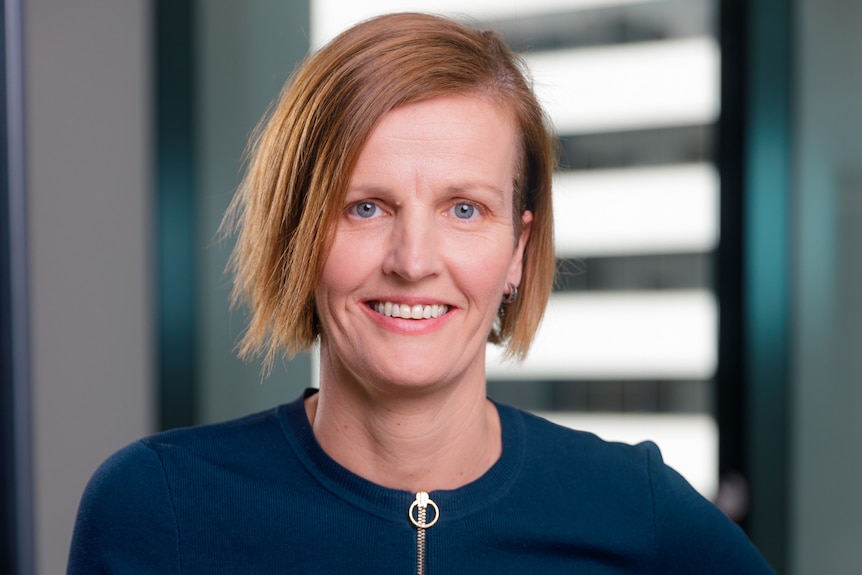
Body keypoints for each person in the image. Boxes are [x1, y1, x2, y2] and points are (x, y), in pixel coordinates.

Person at [68, 12, 775, 574]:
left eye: (463, 209)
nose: (413, 261)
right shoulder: (157, 509)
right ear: (300, 235)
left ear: (518, 252)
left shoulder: (635, 512)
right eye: (366, 207)